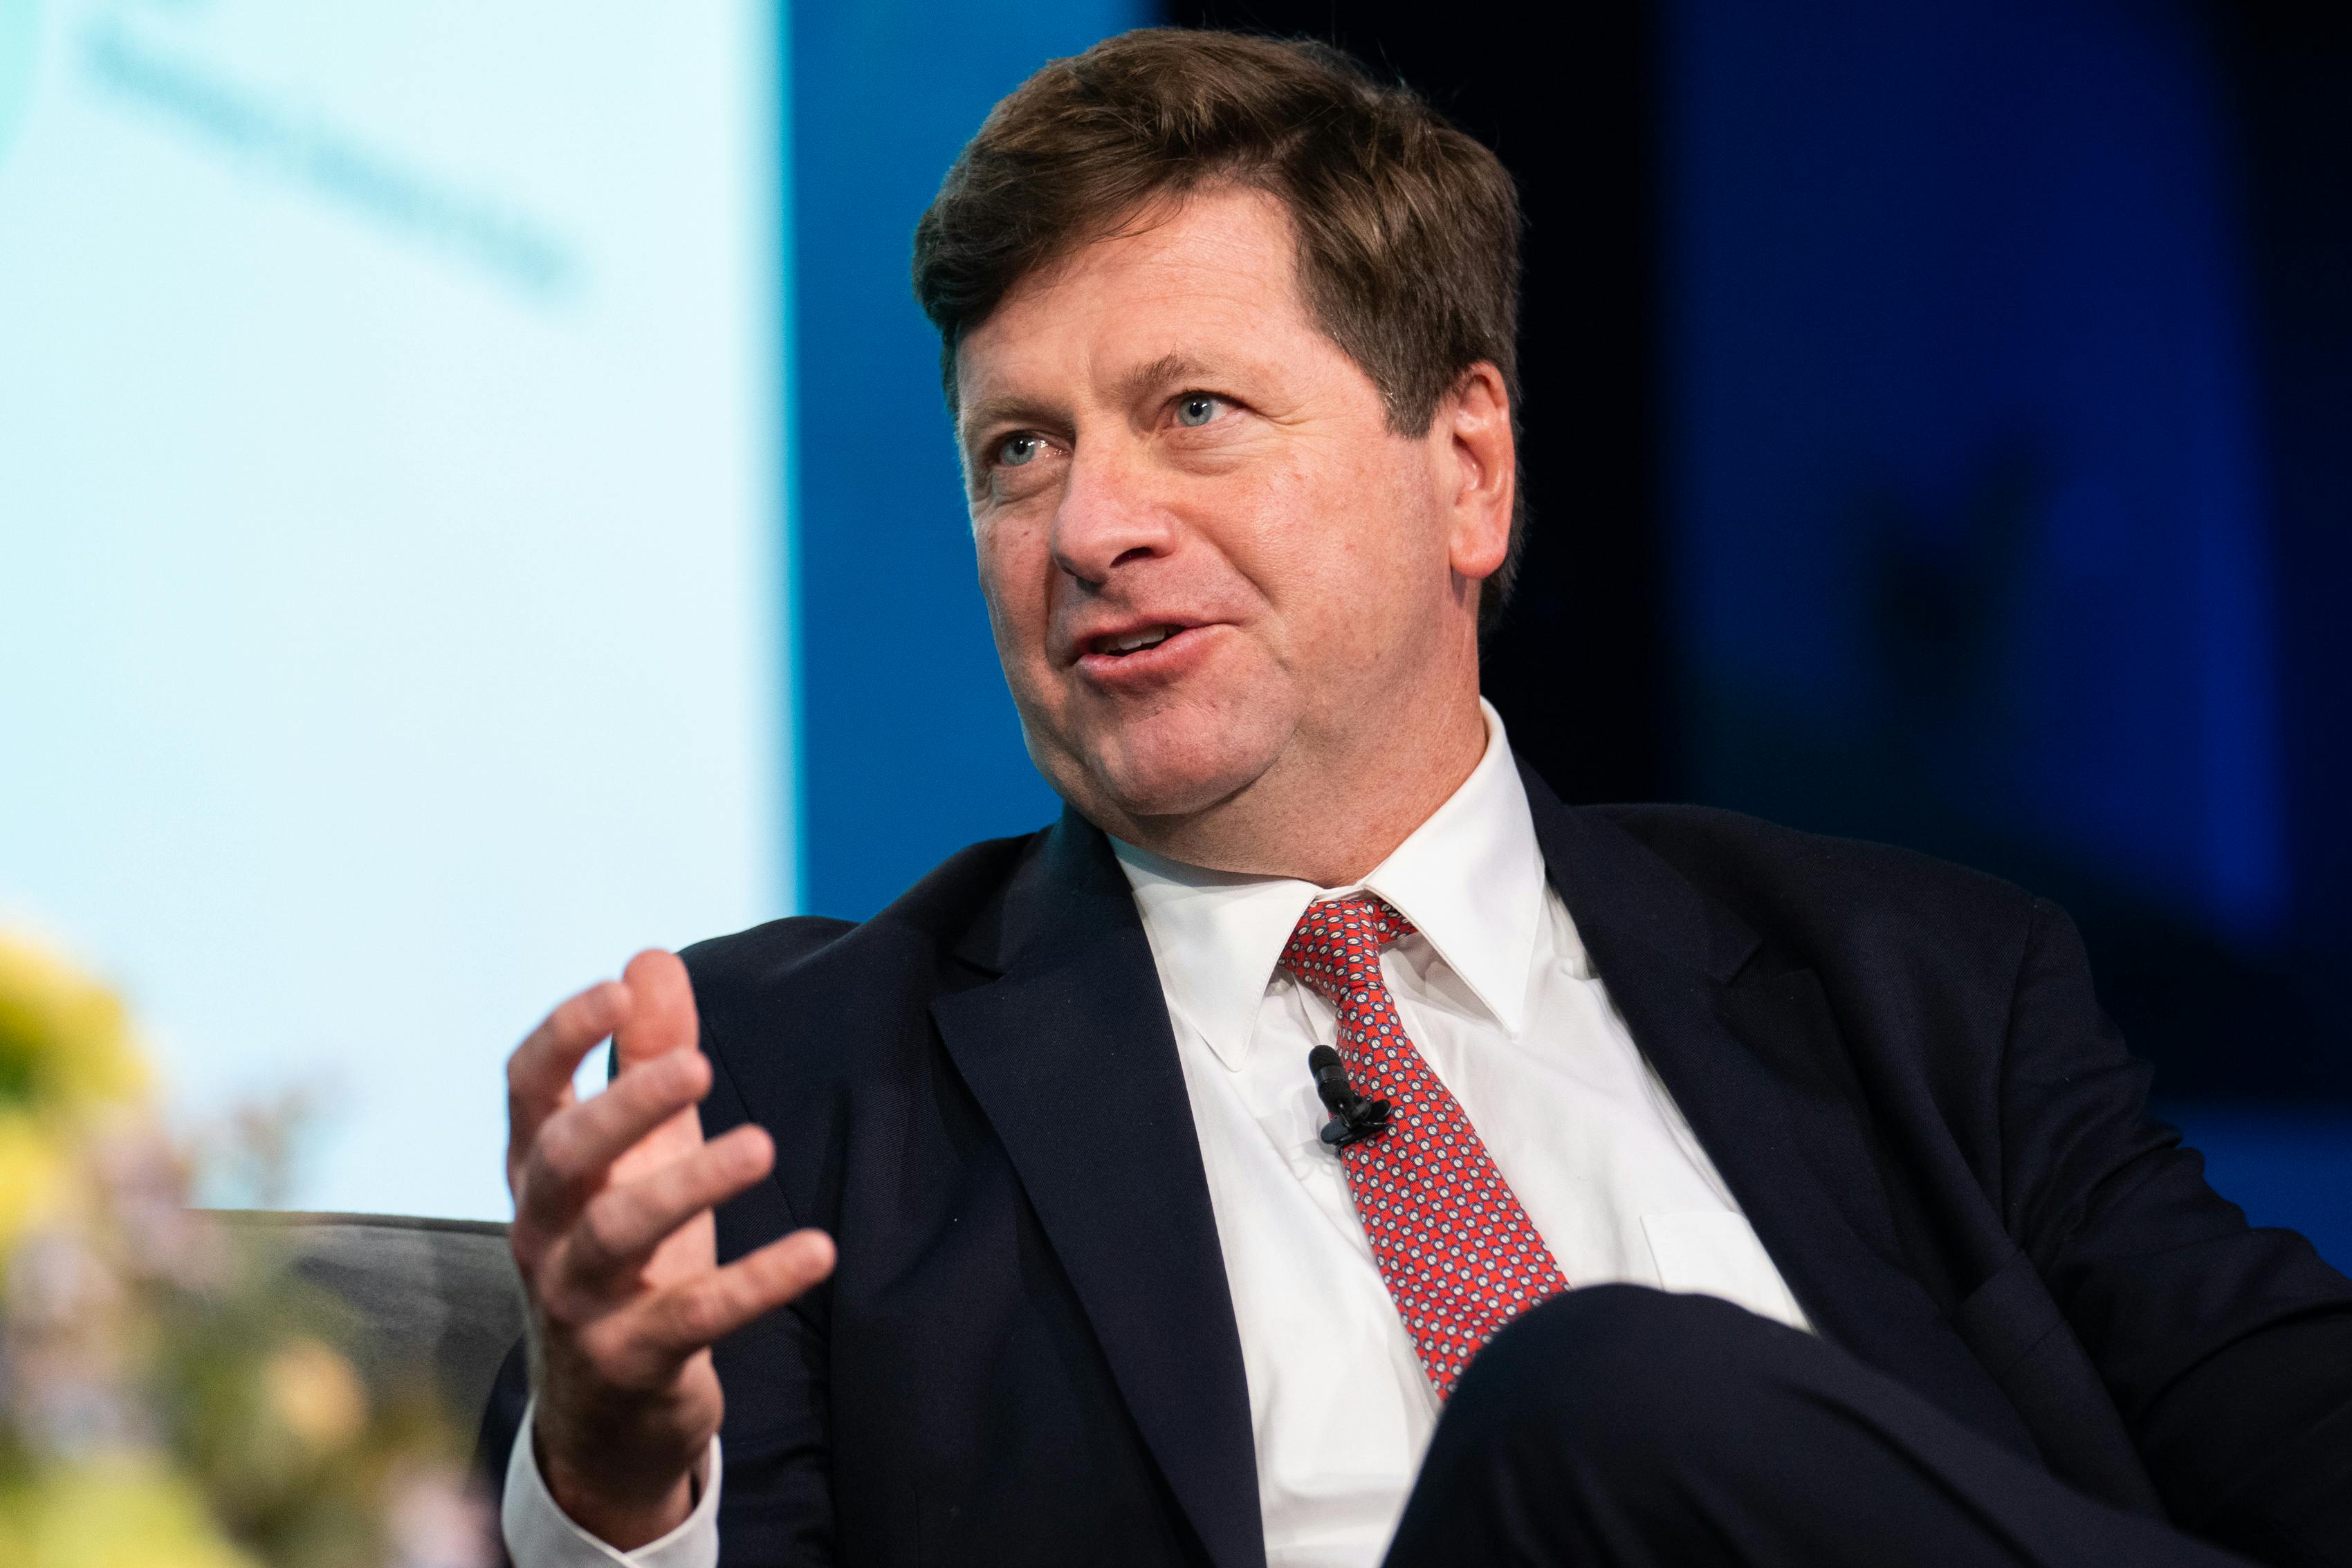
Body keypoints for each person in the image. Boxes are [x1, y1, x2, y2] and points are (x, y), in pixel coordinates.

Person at [481, 28, 2352, 1568]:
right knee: (1595, 1403)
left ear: (1467, 470)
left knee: (1614, 1405)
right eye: (1017, 451)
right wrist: (619, 1474)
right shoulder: (789, 1086)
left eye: (1194, 410)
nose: (1091, 529)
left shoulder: (1925, 987)